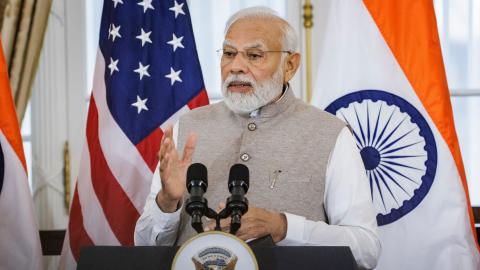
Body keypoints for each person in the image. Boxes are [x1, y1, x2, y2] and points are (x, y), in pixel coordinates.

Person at [135, 7, 381, 269]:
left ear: (290, 65)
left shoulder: (332, 133)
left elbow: (365, 249)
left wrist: (283, 227)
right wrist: (168, 201)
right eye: (229, 54)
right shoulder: (189, 126)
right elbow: (145, 247)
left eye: (254, 55)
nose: (236, 67)